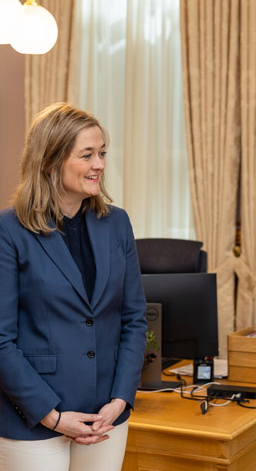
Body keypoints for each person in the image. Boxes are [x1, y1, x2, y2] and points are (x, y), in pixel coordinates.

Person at [0, 103, 147, 471]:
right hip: (33, 419)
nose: (99, 163)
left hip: (106, 416)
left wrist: (120, 399)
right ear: (50, 161)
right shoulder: (9, 230)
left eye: (102, 153)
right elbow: (1, 340)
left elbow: (134, 319)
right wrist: (50, 415)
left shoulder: (117, 223)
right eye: (87, 155)